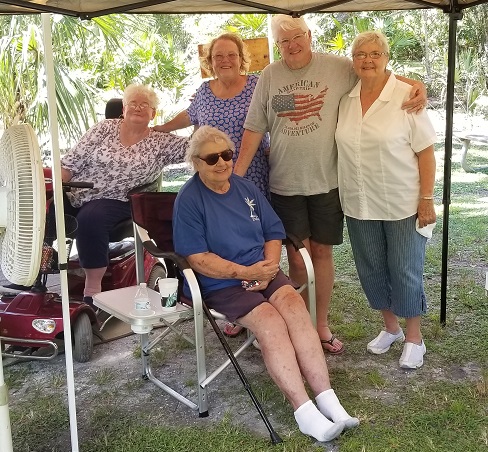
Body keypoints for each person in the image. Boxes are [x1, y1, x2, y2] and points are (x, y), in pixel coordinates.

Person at [234, 14, 428, 355]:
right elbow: (253, 129)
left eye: (297, 37)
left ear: (309, 36)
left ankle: (320, 324)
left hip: (327, 183)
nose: (292, 45)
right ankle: (303, 324)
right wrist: (236, 177)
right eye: (284, 41)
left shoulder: (338, 66)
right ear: (277, 45)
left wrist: (416, 85)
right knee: (297, 259)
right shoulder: (269, 75)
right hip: (285, 184)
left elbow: (377, 71)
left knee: (322, 254)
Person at [173, 125, 359, 442]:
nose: (222, 163)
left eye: (227, 155)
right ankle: (304, 412)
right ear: (196, 162)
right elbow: (197, 258)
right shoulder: (189, 200)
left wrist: (269, 268)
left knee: (295, 308)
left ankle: (328, 399)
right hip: (221, 282)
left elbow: (274, 232)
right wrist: (244, 273)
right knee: (270, 322)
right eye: (212, 158)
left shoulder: (245, 188)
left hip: (262, 271)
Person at [0, 84, 189, 302]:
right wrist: (52, 188)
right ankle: (33, 276)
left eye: (145, 105)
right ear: (124, 109)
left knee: (90, 218)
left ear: (153, 113)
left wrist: (200, 113)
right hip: (78, 193)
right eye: (133, 104)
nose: (138, 108)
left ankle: (92, 291)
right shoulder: (104, 128)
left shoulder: (161, 141)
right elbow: (70, 163)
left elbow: (197, 147)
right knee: (43, 211)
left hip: (120, 200)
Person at [155, 32, 271, 338]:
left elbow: (265, 125)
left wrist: (239, 175)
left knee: (251, 237)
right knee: (221, 239)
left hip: (250, 175)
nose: (225, 61)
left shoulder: (256, 86)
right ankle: (237, 307)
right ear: (210, 62)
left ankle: (258, 295)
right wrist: (161, 127)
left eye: (231, 54)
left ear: (241, 57)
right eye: (218, 56)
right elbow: (189, 115)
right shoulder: (205, 91)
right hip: (212, 178)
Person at [335, 31, 437, 369]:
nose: (368, 60)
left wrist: (426, 198)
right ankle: (390, 328)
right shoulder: (345, 98)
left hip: (402, 202)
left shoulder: (407, 96)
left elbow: (426, 153)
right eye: (361, 54)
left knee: (405, 268)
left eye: (375, 53)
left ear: (386, 57)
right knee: (371, 269)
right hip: (359, 202)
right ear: (352, 60)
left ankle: (414, 337)